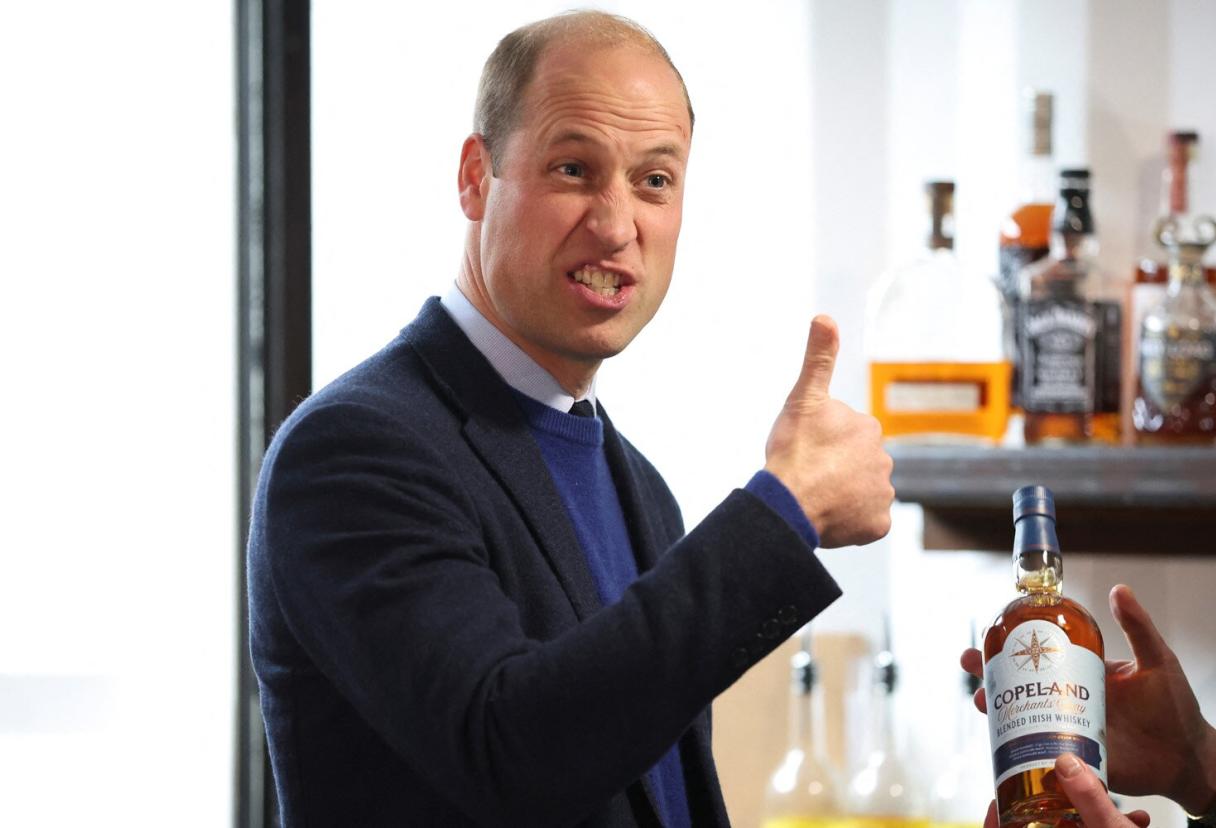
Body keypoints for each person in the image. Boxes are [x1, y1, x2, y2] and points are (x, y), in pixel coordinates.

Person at [247, 10, 894, 827]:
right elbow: (512, 749)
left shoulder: (641, 487)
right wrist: (783, 514)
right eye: (573, 169)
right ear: (476, 177)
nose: (618, 226)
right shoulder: (353, 451)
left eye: (654, 181)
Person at [962, 585, 1216, 828]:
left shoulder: (1070, 616)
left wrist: (1194, 759)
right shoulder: (1003, 624)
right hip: (1019, 809)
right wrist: (1197, 763)